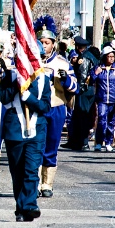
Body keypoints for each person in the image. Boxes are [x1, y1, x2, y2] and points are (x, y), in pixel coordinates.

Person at [0, 66, 52, 222]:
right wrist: (17, 85)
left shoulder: (43, 79)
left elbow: (45, 107)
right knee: (18, 172)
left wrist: (29, 97)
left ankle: (29, 204)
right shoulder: (10, 75)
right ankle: (21, 209)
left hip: (36, 130)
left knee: (31, 169)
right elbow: (3, 98)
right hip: (15, 130)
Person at [37, 28, 76, 198]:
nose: (44, 46)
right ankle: (35, 182)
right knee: (36, 146)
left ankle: (47, 184)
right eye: (41, 42)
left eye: (47, 43)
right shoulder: (31, 61)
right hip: (36, 108)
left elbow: (75, 87)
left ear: (53, 44)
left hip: (56, 107)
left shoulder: (62, 63)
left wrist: (65, 79)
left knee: (51, 145)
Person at [91, 46, 115, 152]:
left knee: (111, 121)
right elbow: (91, 80)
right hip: (101, 98)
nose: (111, 58)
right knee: (101, 119)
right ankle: (99, 142)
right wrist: (96, 74)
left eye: (112, 56)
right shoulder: (98, 67)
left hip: (114, 99)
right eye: (109, 56)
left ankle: (109, 142)